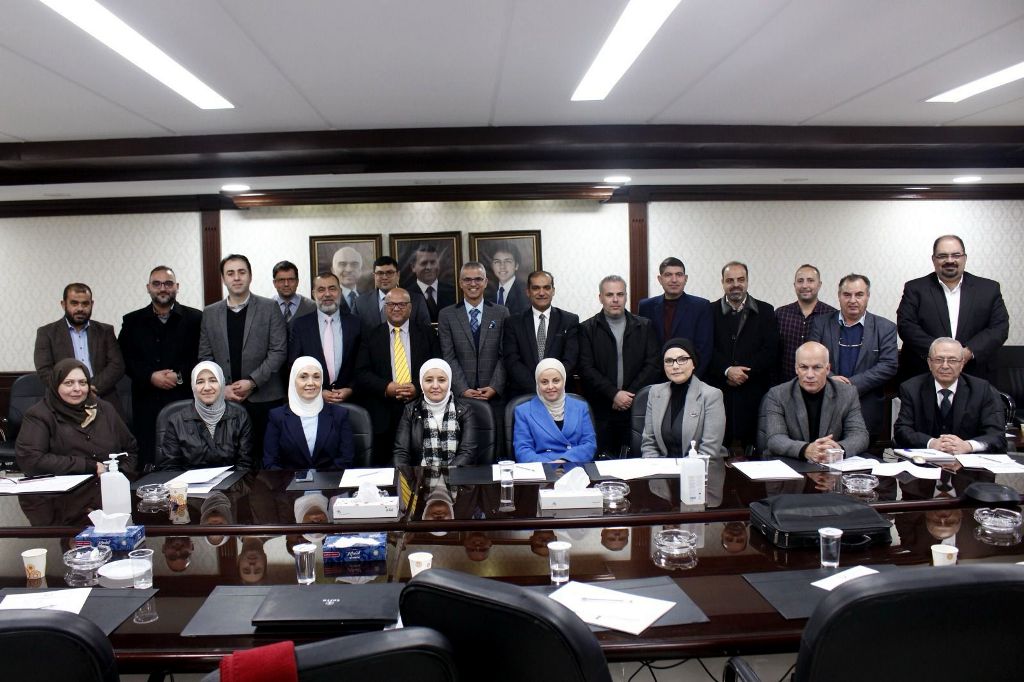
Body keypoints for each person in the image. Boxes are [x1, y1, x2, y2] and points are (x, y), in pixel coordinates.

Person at [198, 254, 288, 457]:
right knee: (229, 458)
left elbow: (278, 351)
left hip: (265, 399)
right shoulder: (210, 313)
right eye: (230, 273)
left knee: (267, 457)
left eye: (241, 272)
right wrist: (221, 388)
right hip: (224, 400)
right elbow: (205, 356)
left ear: (250, 276)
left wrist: (252, 382)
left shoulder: (269, 307)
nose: (236, 277)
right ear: (223, 278)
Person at [118, 265, 202, 468]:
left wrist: (179, 376)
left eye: (168, 283)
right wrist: (150, 376)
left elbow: (202, 356)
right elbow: (124, 359)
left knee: (187, 457)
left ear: (177, 287)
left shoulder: (196, 319)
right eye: (157, 284)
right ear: (148, 288)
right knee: (150, 460)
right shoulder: (132, 321)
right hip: (146, 401)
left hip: (184, 398)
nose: (163, 288)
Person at [897, 235, 1009, 381]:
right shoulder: (914, 288)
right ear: (933, 259)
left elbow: (999, 328)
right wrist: (940, 354)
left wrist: (967, 352)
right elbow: (906, 326)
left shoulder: (989, 289)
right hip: (924, 375)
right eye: (942, 256)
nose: (950, 260)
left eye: (956, 255)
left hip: (975, 374)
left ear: (964, 258)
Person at [354, 287, 441, 465]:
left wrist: (417, 386)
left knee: (421, 467)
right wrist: (386, 387)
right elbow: (361, 373)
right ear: (385, 308)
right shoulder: (371, 336)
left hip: (421, 410)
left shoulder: (428, 334)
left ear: (410, 307)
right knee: (385, 469)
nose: (396, 308)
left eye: (401, 304)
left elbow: (438, 368)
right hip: (383, 415)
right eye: (391, 304)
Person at [578, 275, 661, 455]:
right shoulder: (586, 329)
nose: (615, 299)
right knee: (603, 460)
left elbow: (653, 364)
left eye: (620, 294)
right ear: (600, 297)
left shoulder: (644, 326)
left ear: (626, 296)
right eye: (609, 295)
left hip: (636, 408)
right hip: (601, 408)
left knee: (634, 460)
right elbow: (586, 368)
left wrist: (628, 395)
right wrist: (614, 394)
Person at [808, 274, 898, 438]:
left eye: (859, 294)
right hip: (826, 403)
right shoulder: (820, 324)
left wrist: (850, 385)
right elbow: (811, 359)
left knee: (863, 450)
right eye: (847, 295)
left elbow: (889, 365)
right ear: (839, 296)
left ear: (868, 296)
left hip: (867, 406)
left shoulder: (885, 327)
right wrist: (831, 379)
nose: (852, 300)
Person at [15, 359, 138, 476]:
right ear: (56, 385)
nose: (77, 389)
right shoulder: (39, 415)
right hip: (63, 489)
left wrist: (118, 475)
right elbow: (30, 460)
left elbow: (131, 450)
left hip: (109, 484)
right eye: (69, 383)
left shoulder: (104, 409)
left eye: (82, 382)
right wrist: (88, 466)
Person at [707, 261, 779, 450]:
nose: (735, 284)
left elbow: (771, 350)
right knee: (718, 448)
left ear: (747, 281)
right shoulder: (709, 311)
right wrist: (727, 370)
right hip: (719, 390)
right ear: (722, 282)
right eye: (730, 280)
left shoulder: (766, 311)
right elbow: (705, 348)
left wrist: (743, 373)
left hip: (754, 390)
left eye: (740, 279)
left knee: (753, 449)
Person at [759, 342, 870, 461]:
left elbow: (859, 435)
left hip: (829, 463)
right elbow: (775, 438)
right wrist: (806, 450)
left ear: (827, 369)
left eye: (817, 367)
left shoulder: (847, 393)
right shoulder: (778, 394)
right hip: (792, 463)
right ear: (796, 368)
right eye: (804, 367)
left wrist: (838, 448)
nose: (810, 375)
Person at [438, 262, 509, 448]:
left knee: (495, 449)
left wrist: (494, 386)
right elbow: (448, 356)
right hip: (460, 397)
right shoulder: (446, 315)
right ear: (460, 283)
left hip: (494, 397)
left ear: (485, 282)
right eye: (467, 279)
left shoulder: (501, 313)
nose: (473, 284)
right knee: (463, 449)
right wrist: (462, 389)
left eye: (478, 279)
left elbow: (505, 355)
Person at [893, 337, 1006, 453]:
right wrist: (931, 443)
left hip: (968, 460)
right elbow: (902, 431)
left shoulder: (982, 390)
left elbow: (997, 436)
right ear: (929, 363)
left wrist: (968, 446)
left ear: (962, 364)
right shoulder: (911, 388)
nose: (945, 366)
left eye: (952, 360)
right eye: (939, 360)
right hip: (925, 460)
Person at [34, 282, 125, 408]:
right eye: (74, 303)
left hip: (102, 398)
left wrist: (89, 388)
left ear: (92, 304)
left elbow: (117, 365)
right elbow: (44, 370)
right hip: (62, 402)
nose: (80, 308)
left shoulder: (105, 331)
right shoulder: (46, 333)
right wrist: (74, 389)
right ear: (63, 304)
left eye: (85, 304)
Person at [157, 361, 254, 471]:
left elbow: (245, 465)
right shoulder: (176, 421)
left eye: (213, 380)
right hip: (188, 481)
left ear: (222, 384)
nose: (207, 387)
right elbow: (169, 469)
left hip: (233, 481)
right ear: (193, 386)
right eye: (200, 382)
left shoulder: (240, 417)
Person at [641, 338, 727, 458]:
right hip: (662, 467)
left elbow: (709, 450)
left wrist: (680, 467)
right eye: (669, 361)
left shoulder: (711, 395)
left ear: (693, 364)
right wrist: (655, 466)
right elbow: (649, 443)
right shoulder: (655, 392)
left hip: (701, 466)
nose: (675, 366)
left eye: (682, 359)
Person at [264, 356, 356, 469]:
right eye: (303, 377)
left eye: (316, 377)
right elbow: (270, 462)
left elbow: (346, 459)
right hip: (290, 480)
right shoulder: (277, 416)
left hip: (330, 479)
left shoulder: (339, 414)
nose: (311, 383)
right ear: (293, 381)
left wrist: (320, 478)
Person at [502, 270, 580, 397]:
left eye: (546, 288)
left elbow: (570, 359)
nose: (542, 293)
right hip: (524, 394)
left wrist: (551, 385)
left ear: (553, 291)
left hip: (559, 393)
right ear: (528, 292)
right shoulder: (513, 323)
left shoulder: (569, 320)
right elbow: (512, 360)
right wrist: (538, 387)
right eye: (536, 288)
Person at [288, 272, 361, 403]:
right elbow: (294, 365)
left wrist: (351, 389)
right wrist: (318, 391)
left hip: (351, 400)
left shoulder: (356, 324)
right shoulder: (300, 325)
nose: (327, 294)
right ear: (313, 294)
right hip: (311, 400)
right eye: (321, 290)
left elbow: (362, 364)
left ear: (340, 292)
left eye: (332, 288)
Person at [393, 358, 480, 467]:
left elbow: (467, 453)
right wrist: (406, 476)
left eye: (441, 380)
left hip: (457, 475)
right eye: (429, 380)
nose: (435, 386)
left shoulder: (465, 410)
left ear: (449, 382)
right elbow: (401, 453)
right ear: (421, 383)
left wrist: (446, 474)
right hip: (419, 475)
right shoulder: (410, 410)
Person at [638, 257, 712, 377]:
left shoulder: (701, 306)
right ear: (660, 279)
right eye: (668, 275)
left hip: (689, 376)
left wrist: (691, 379)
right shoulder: (646, 306)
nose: (674, 280)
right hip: (654, 378)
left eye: (679, 275)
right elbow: (642, 347)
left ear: (685, 279)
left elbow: (704, 349)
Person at [514, 359, 596, 463]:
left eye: (556, 381)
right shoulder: (523, 411)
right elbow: (522, 451)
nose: (550, 386)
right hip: (542, 468)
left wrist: (565, 460)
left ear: (564, 381)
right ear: (537, 384)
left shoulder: (581, 407)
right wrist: (550, 465)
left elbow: (589, 444)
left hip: (574, 465)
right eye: (544, 382)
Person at [774, 264, 836, 382]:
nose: (805, 285)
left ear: (819, 285)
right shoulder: (781, 314)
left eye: (810, 280)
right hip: (784, 385)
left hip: (821, 385)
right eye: (800, 281)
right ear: (794, 285)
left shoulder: (832, 315)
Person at [353, 255, 431, 332]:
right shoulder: (360, 303)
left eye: (389, 272)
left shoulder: (417, 300)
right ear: (374, 276)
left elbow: (426, 332)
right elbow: (354, 333)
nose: (384, 277)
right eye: (380, 273)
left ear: (398, 275)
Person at [405, 244, 456, 323]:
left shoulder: (453, 291)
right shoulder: (406, 295)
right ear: (413, 267)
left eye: (433, 262)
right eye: (424, 263)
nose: (429, 267)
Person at [485, 242, 529, 315]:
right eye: (497, 262)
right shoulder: (488, 292)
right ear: (492, 266)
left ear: (516, 266)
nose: (502, 266)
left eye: (507, 261)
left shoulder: (525, 292)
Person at [271, 260, 316, 327]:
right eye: (281, 280)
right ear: (274, 283)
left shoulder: (312, 307)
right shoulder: (267, 307)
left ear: (297, 282)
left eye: (291, 280)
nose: (286, 284)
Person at [331, 246, 364, 313]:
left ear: (360, 270)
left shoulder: (367, 298)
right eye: (342, 264)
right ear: (333, 271)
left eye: (354, 264)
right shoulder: (328, 299)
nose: (349, 270)